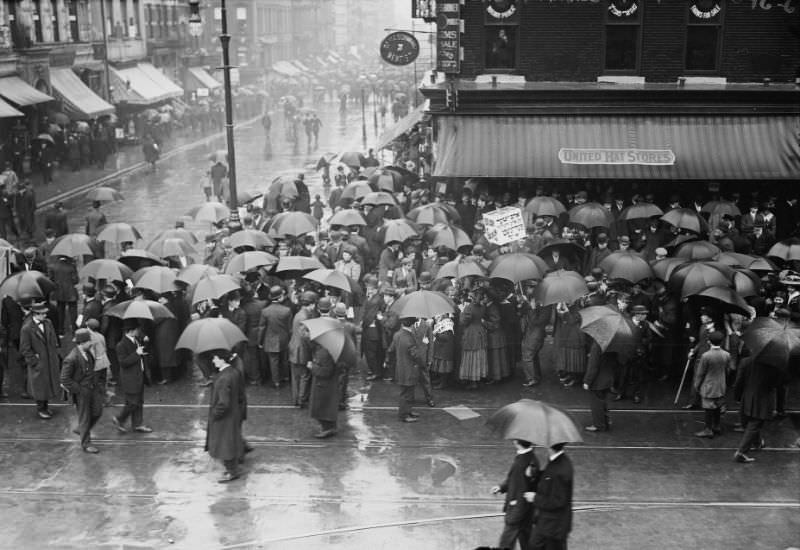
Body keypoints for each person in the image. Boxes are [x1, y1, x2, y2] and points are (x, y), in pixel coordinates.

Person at [60, 329, 104, 453]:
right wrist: (78, 390)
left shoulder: (87, 352)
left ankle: (82, 429)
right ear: (82, 342)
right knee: (84, 417)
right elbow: (64, 379)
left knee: (97, 411)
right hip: (82, 392)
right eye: (89, 341)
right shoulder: (72, 358)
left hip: (92, 388)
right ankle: (86, 443)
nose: (91, 343)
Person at [491, 439, 540, 550]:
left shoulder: (523, 462)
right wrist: (501, 487)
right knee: (526, 540)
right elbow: (514, 479)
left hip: (517, 510)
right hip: (526, 511)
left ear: (516, 442)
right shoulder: (529, 458)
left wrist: (515, 514)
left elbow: (522, 487)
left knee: (506, 543)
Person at [205, 349, 245, 482]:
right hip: (234, 414)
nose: (213, 361)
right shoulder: (234, 372)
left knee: (224, 445)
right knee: (230, 442)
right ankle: (232, 469)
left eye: (215, 358)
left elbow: (223, 403)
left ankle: (231, 472)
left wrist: (215, 415)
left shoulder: (223, 378)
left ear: (222, 359)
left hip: (224, 418)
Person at [19, 301, 61, 419]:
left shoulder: (48, 323)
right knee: (39, 387)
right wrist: (34, 362)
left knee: (47, 386)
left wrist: (55, 353)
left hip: (49, 361)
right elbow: (25, 349)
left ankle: (45, 407)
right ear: (35, 314)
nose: (45, 315)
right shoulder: (27, 328)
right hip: (39, 363)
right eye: (42, 314)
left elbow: (53, 338)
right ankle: (41, 409)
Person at [527, 443, 574, 550]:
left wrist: (535, 498)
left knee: (536, 545)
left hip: (554, 526)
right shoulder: (557, 461)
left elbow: (558, 501)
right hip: (548, 524)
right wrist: (536, 473)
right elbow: (548, 477)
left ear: (549, 446)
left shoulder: (561, 470)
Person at [111, 323, 153, 434]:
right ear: (130, 331)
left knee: (139, 402)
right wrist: (136, 354)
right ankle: (119, 419)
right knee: (132, 403)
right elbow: (123, 362)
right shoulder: (121, 345)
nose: (139, 331)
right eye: (137, 329)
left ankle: (137, 424)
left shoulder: (136, 340)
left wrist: (142, 350)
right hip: (130, 379)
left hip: (139, 376)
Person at [693, 331, 732, 438]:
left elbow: (700, 373)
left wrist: (697, 385)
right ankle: (717, 426)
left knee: (708, 407)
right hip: (721, 385)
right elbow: (728, 370)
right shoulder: (726, 354)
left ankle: (708, 429)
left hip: (708, 385)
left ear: (709, 342)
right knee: (718, 406)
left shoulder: (706, 356)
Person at [258, 285, 292, 388]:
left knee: (273, 362)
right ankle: (286, 377)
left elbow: (262, 328)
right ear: (281, 296)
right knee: (284, 359)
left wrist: (260, 341)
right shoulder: (287, 310)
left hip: (270, 340)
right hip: (284, 339)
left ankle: (276, 381)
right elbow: (289, 328)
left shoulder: (265, 311)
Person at [288, 291, 318, 407]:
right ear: (311, 304)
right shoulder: (305, 317)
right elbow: (305, 338)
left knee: (295, 378)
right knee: (304, 376)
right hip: (302, 351)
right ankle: (301, 400)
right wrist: (310, 356)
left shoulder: (299, 314)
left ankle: (296, 399)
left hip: (294, 348)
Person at [389, 317, 422, 422]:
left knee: (408, 391)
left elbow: (391, 349)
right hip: (409, 369)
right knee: (406, 393)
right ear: (412, 325)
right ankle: (404, 415)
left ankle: (408, 410)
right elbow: (415, 355)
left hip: (400, 367)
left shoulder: (397, 334)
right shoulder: (409, 338)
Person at [308, 339, 342, 438]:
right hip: (324, 385)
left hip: (323, 386)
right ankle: (330, 427)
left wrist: (312, 367)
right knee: (325, 407)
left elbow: (326, 372)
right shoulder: (325, 350)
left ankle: (328, 428)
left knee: (322, 407)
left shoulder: (324, 352)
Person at [582, 340, 616, 432]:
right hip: (608, 378)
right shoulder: (612, 343)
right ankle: (606, 421)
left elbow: (593, 366)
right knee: (602, 401)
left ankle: (599, 425)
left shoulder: (596, 346)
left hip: (598, 380)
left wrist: (587, 381)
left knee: (596, 404)